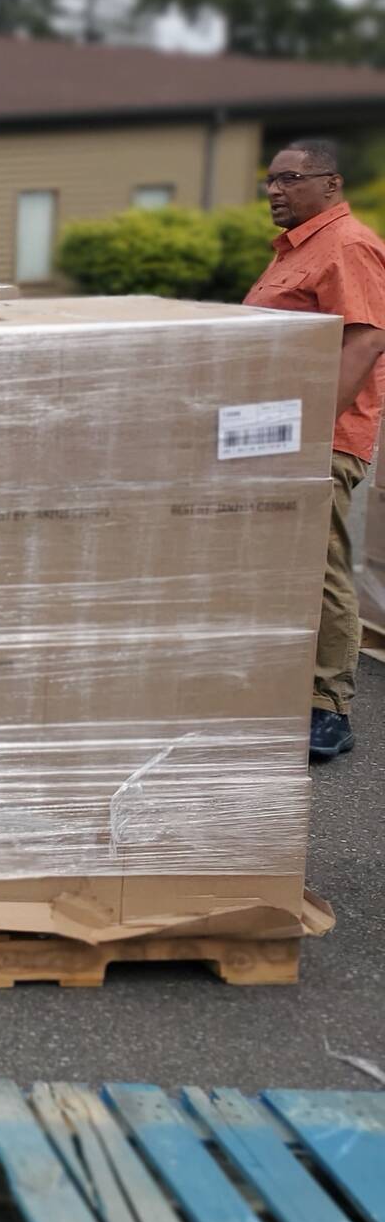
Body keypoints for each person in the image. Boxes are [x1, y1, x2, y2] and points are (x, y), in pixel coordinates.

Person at [242, 138, 385, 761]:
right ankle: (285, 692)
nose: (276, 190)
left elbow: (367, 339)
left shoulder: (347, 245)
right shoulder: (294, 250)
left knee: (319, 568)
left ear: (331, 183)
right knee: (283, 567)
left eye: (290, 179)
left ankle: (330, 708)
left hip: (317, 440)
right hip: (272, 434)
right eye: (271, 181)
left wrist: (310, 431)